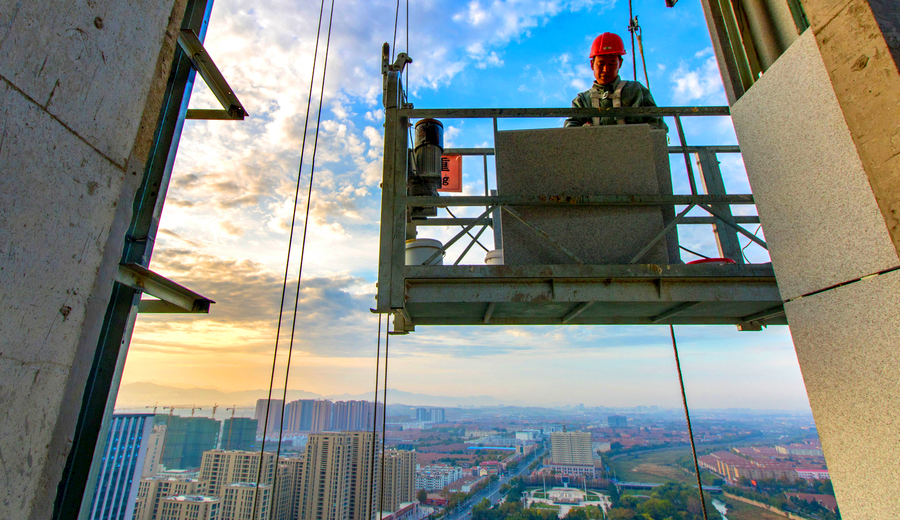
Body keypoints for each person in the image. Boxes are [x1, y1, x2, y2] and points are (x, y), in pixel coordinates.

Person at [564, 32, 667, 131]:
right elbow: (570, 131)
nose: (606, 69)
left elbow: (656, 123)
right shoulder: (582, 100)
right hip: (596, 148)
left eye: (612, 64)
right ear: (592, 64)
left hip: (633, 147)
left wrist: (639, 134)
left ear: (620, 63)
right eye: (601, 63)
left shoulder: (636, 90)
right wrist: (585, 132)